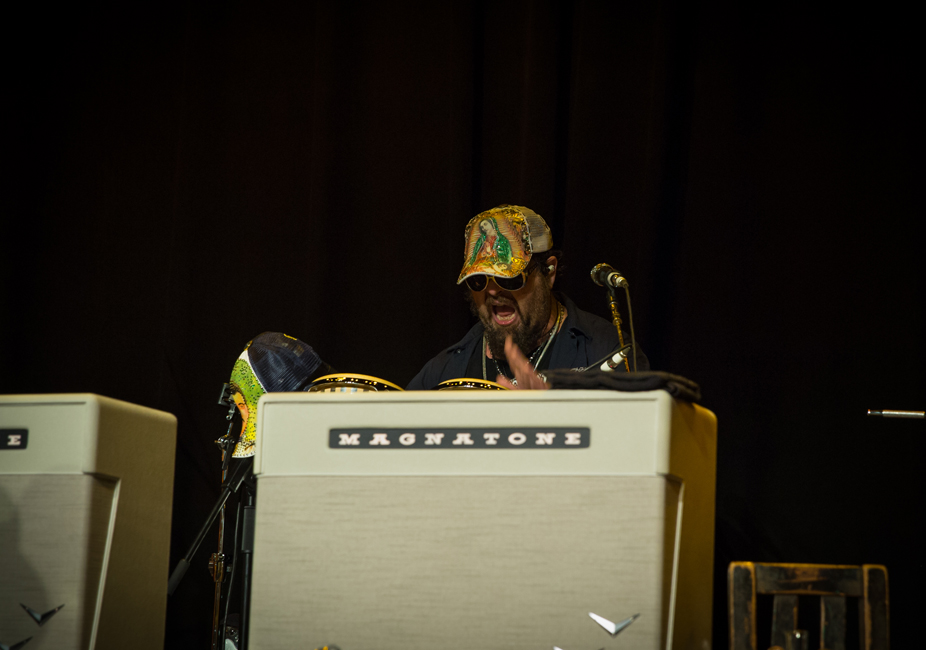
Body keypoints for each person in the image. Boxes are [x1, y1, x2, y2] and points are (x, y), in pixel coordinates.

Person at [407, 205, 647, 390]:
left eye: (510, 279)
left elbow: (636, 444)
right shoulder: (444, 371)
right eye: (478, 281)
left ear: (549, 272)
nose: (492, 292)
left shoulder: (606, 351)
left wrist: (549, 419)